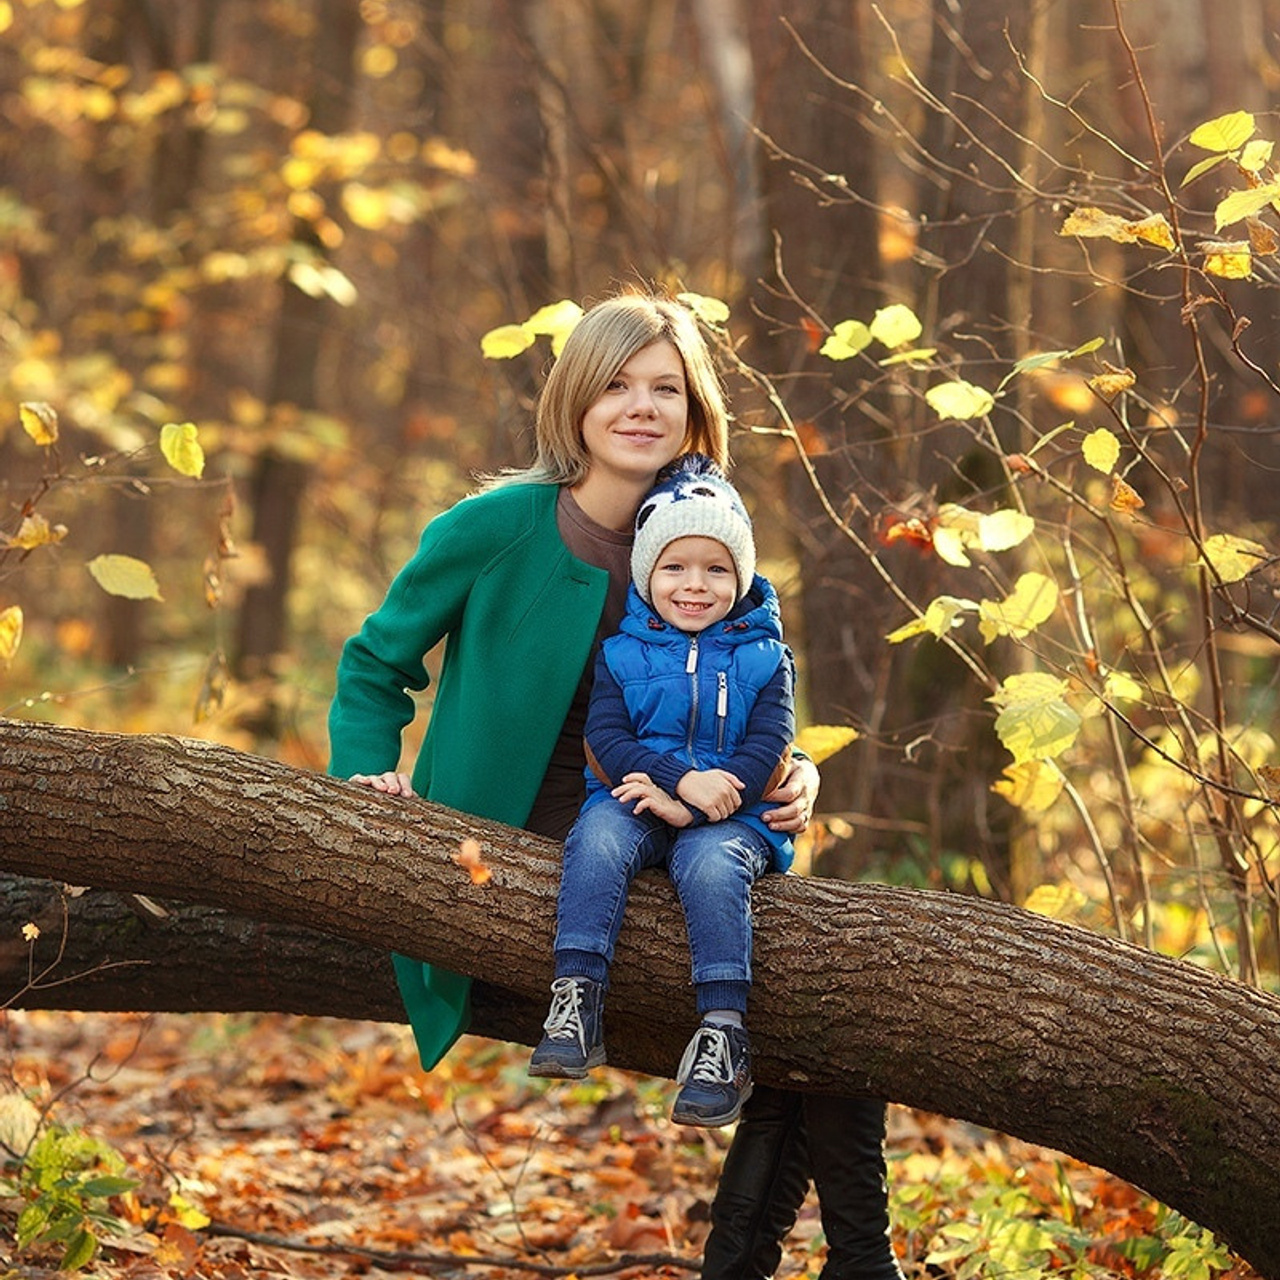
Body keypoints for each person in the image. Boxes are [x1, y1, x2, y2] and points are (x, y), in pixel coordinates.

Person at [528, 454, 795, 1129]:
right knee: (597, 836)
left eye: (716, 569)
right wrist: (677, 784)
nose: (695, 586)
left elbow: (770, 749)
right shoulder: (622, 652)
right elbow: (608, 742)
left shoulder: (767, 657)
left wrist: (702, 802)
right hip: (642, 795)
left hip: (733, 815)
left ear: (742, 574)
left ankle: (723, 1033)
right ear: (648, 574)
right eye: (675, 567)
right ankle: (577, 996)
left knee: (710, 865)